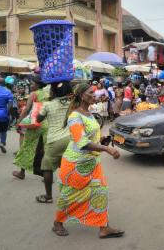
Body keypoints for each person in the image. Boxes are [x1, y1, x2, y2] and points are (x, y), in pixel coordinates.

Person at [53, 83, 124, 238]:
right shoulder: (74, 116)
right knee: (69, 196)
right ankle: (57, 222)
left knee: (101, 191)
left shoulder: (89, 113)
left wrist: (102, 140)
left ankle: (103, 227)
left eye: (94, 92)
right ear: (81, 95)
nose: (95, 95)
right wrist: (106, 149)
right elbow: (82, 142)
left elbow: (90, 137)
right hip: (75, 164)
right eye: (91, 93)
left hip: (91, 162)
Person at [35, 82, 72, 204]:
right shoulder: (71, 104)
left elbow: (38, 119)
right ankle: (71, 195)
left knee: (47, 166)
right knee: (69, 166)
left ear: (53, 92)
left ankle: (48, 196)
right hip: (71, 138)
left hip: (54, 139)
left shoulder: (48, 105)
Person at [13, 75, 48, 179]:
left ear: (37, 85)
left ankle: (22, 172)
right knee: (43, 149)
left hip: (35, 124)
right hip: (46, 124)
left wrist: (18, 122)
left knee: (27, 147)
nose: (31, 85)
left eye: (32, 83)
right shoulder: (48, 93)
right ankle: (46, 175)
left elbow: (27, 109)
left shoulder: (34, 94)